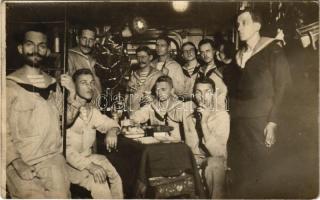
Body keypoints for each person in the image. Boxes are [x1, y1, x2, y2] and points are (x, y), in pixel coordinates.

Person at [6, 26, 81, 198]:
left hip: (52, 159)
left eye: (41, 46)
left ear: (47, 51)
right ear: (21, 48)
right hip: (21, 161)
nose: (35, 50)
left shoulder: (53, 84)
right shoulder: (9, 85)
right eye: (30, 44)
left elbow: (66, 121)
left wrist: (73, 93)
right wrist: (16, 162)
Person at [228, 8, 291, 198]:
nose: (239, 28)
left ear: (257, 26)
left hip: (261, 121)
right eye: (237, 24)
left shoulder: (273, 50)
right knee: (242, 174)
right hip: (238, 123)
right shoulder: (238, 57)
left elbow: (284, 87)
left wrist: (272, 122)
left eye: (244, 23)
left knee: (264, 172)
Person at [66, 69, 123, 199]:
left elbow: (110, 123)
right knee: (99, 181)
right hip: (68, 164)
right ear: (73, 86)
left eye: (92, 83)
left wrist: (112, 131)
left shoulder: (91, 111)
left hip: (88, 158)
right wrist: (91, 166)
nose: (90, 87)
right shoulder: (65, 112)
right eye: (84, 83)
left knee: (115, 176)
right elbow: (64, 150)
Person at [183, 77, 230, 198]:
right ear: (194, 94)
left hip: (213, 161)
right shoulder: (189, 115)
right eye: (198, 92)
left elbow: (218, 153)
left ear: (214, 94)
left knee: (214, 164)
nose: (202, 96)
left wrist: (204, 123)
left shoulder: (222, 116)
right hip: (193, 160)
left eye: (207, 92)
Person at [130, 75, 185, 141]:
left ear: (172, 90)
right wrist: (135, 122)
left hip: (177, 146)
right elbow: (135, 118)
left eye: (163, 89)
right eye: (157, 90)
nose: (159, 93)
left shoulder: (180, 106)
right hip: (157, 145)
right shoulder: (152, 106)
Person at [66, 25, 102, 108]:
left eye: (91, 40)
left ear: (95, 42)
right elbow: (64, 88)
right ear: (77, 39)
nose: (87, 43)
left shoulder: (95, 59)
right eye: (84, 38)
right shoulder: (68, 56)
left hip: (95, 109)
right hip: (77, 109)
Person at [126, 46, 163, 112]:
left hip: (150, 114)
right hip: (133, 114)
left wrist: (152, 98)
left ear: (150, 57)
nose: (140, 60)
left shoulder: (158, 75)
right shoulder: (133, 75)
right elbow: (128, 97)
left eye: (143, 57)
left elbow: (163, 97)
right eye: (138, 57)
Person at [198, 38, 228, 111]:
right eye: (202, 52)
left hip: (221, 109)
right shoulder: (201, 69)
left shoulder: (223, 69)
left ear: (214, 51)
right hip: (206, 108)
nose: (205, 55)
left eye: (208, 51)